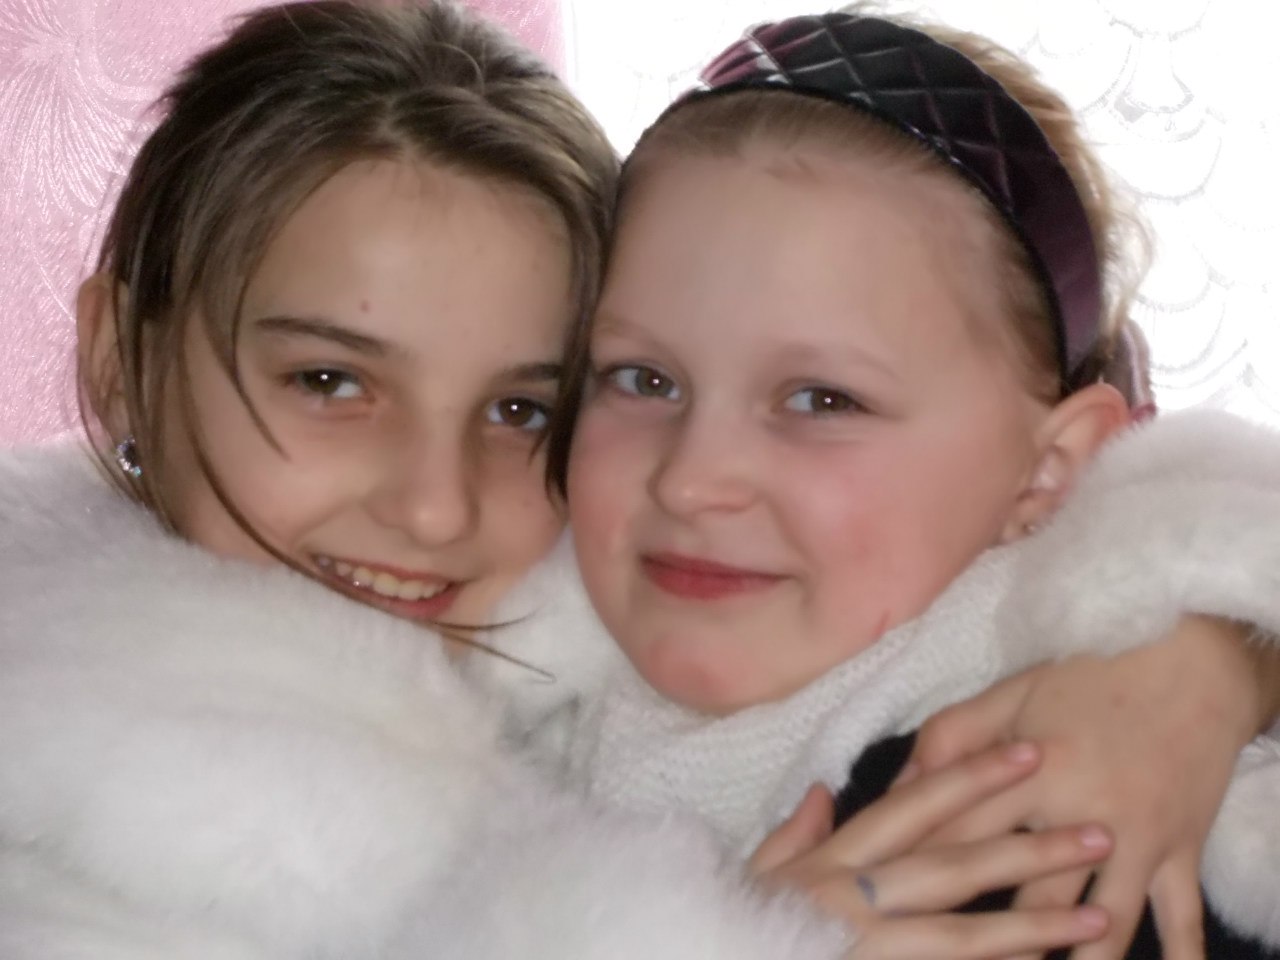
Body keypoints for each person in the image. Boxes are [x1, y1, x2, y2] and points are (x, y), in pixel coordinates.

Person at [0, 3, 1139, 958]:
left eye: (521, 410)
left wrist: (1179, 634)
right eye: (331, 381)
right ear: (119, 364)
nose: (434, 508)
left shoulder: (646, 666)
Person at [475, 7, 1280, 958]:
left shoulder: (1061, 837)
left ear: (1051, 469)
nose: (691, 482)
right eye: (644, 380)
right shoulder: (481, 697)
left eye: (823, 399)